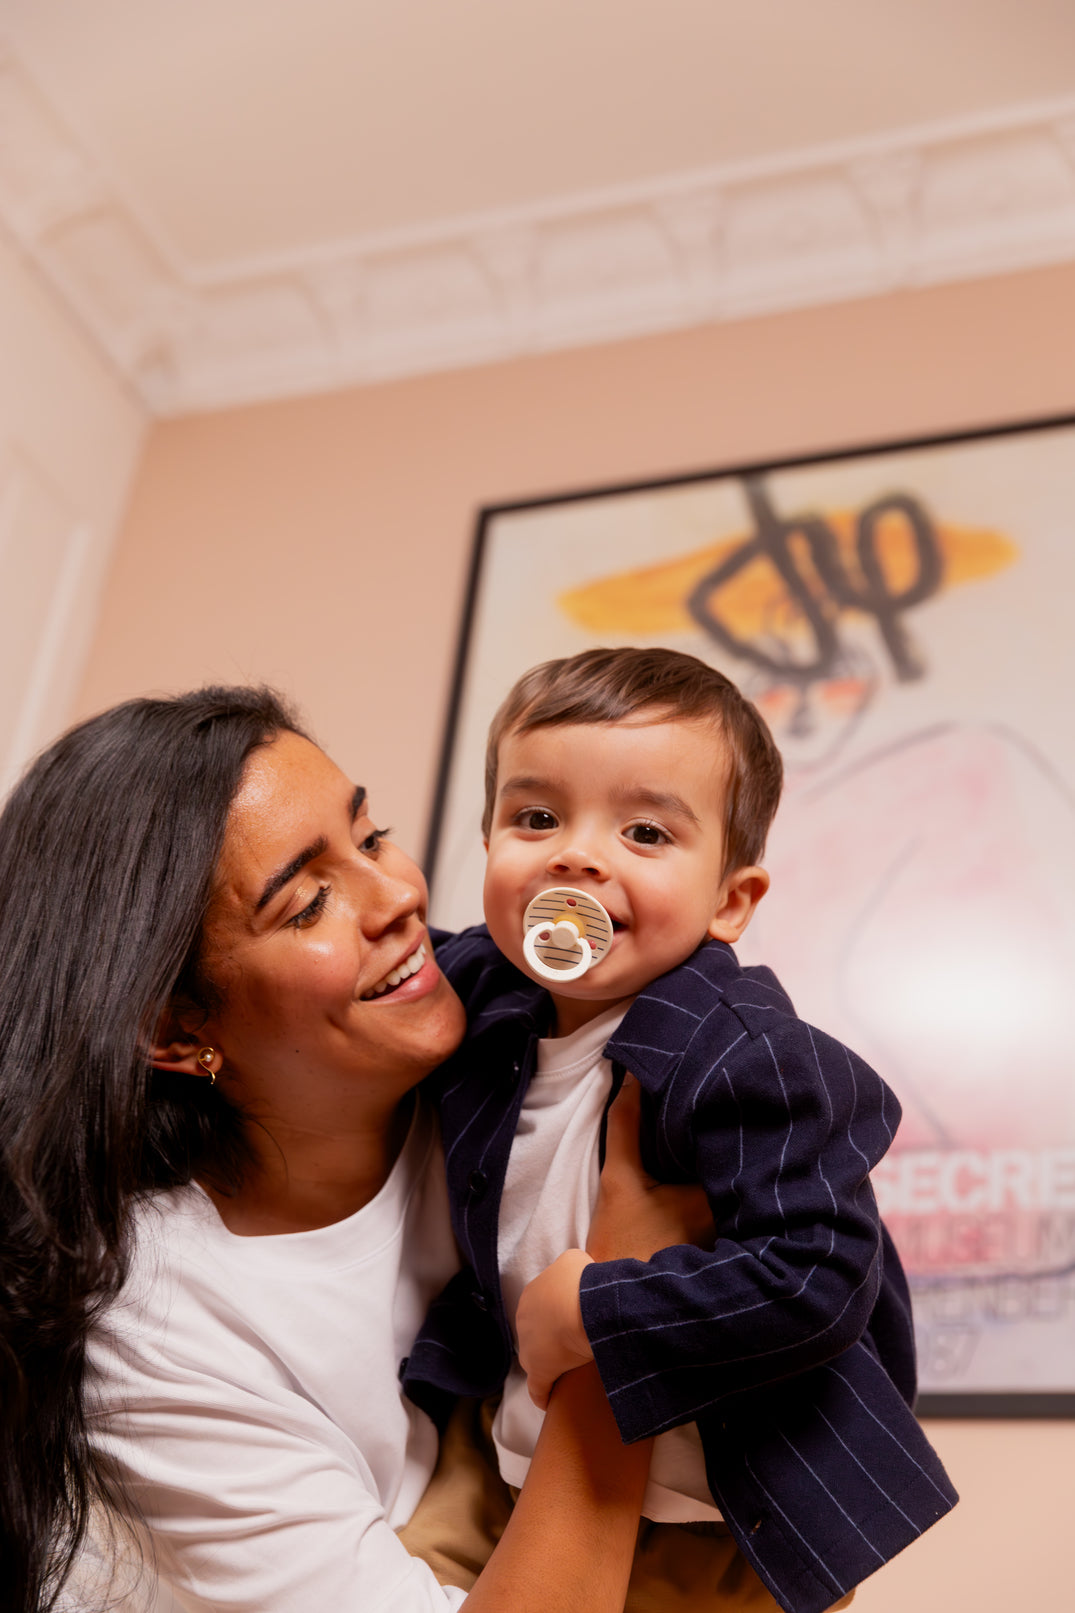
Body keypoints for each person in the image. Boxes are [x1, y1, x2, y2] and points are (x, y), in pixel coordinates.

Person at [0, 683, 698, 1613]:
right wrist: (624, 1315)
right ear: (173, 1028)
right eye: (306, 904)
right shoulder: (157, 1331)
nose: (399, 895)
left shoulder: (527, 1044)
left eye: (371, 837)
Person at [404, 647, 959, 1613]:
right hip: (506, 1462)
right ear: (487, 840)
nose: (576, 856)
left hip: (713, 1511)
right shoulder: (484, 993)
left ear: (729, 901)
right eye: (535, 818)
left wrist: (597, 1310)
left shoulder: (746, 1055)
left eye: (645, 831)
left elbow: (815, 1276)